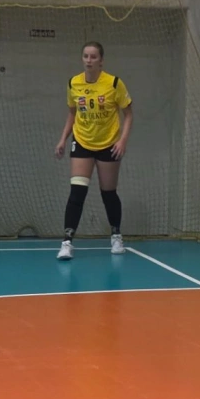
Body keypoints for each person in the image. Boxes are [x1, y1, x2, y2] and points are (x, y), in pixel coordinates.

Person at [53, 41, 133, 261]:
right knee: (77, 192)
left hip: (108, 143)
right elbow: (72, 113)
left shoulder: (114, 83)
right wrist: (63, 139)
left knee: (108, 193)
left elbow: (128, 114)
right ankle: (67, 242)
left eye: (93, 57)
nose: (89, 60)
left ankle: (116, 236)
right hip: (82, 142)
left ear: (101, 61)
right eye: (86, 56)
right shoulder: (74, 83)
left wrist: (122, 141)